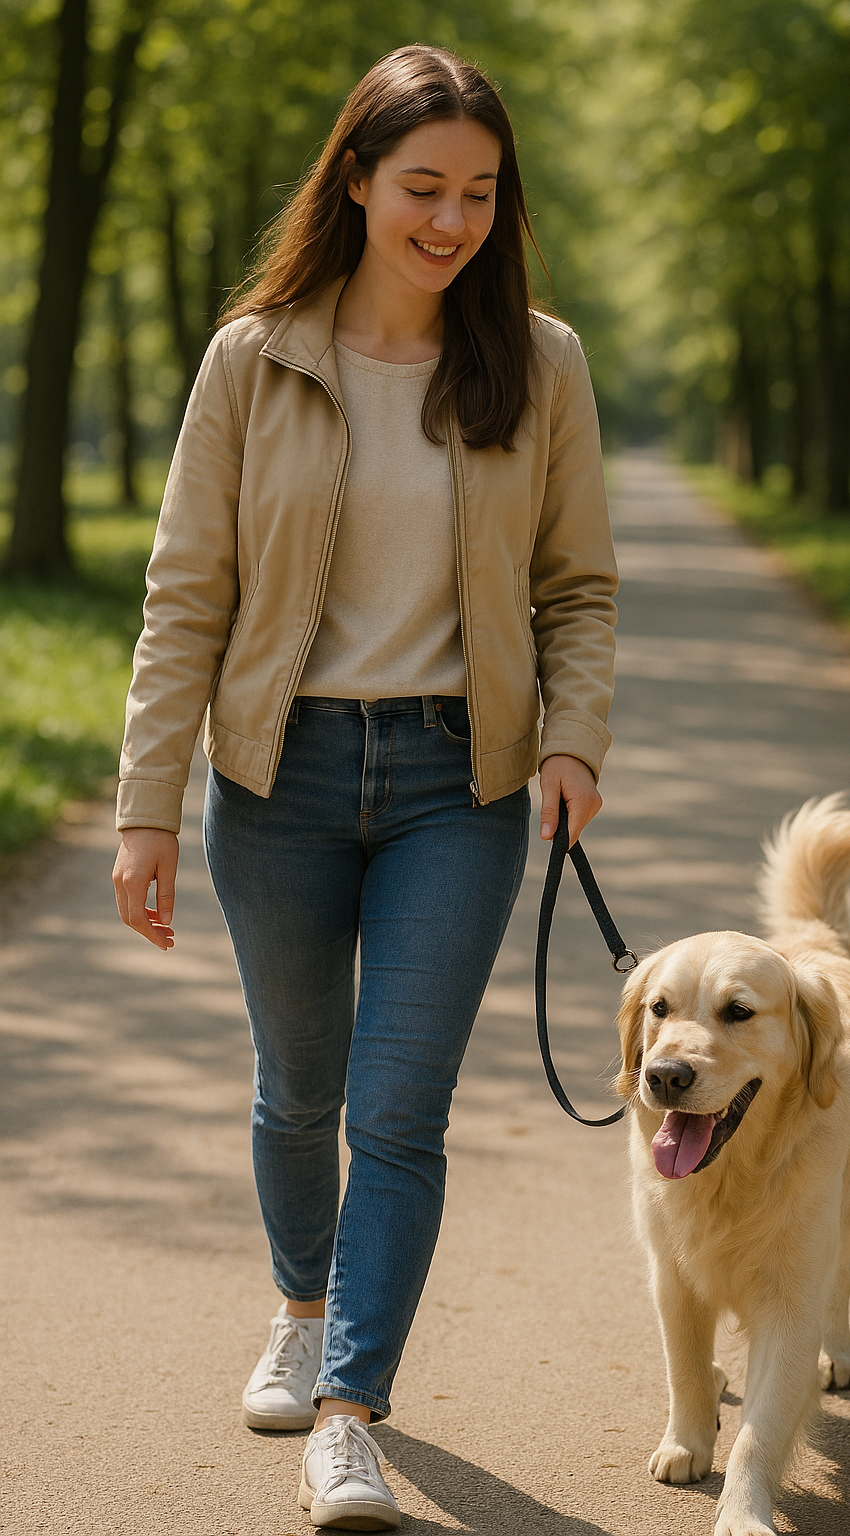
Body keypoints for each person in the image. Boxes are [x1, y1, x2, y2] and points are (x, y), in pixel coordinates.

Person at [112, 44, 616, 1532]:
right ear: (356, 179)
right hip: (279, 770)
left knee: (400, 1108)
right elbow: (184, 594)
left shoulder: (542, 361)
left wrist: (574, 735)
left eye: (477, 191)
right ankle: (296, 1303)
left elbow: (578, 589)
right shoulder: (254, 357)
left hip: (457, 783)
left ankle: (351, 1408)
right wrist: (145, 801)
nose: (450, 220)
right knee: (300, 1089)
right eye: (422, 188)